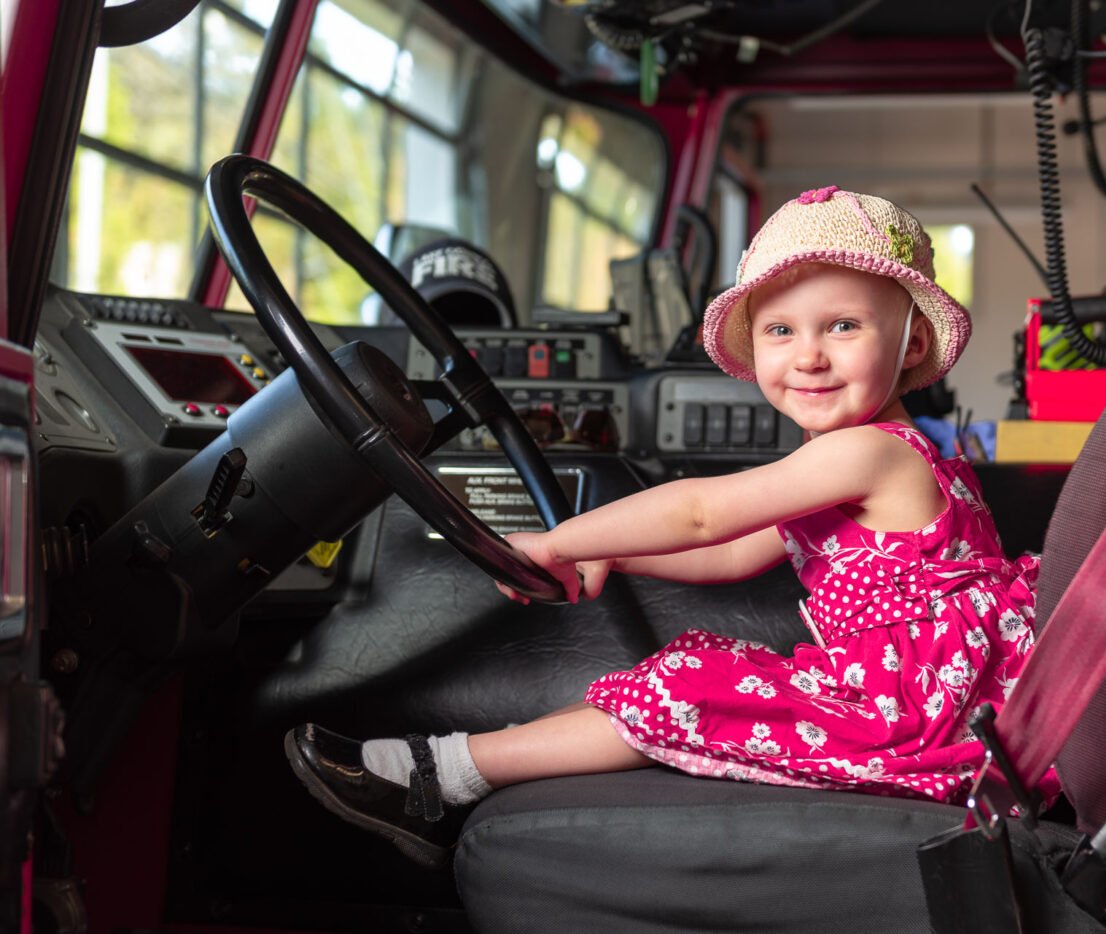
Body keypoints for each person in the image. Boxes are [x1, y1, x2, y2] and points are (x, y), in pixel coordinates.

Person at [286, 186, 1054, 869]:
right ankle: (473, 770)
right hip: (902, 694)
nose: (809, 357)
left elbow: (701, 514)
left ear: (911, 343)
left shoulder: (871, 453)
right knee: (691, 663)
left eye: (843, 326)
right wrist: (619, 558)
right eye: (780, 331)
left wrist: (560, 542)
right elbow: (732, 552)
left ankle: (435, 778)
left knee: (685, 684)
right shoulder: (856, 457)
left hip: (910, 716)